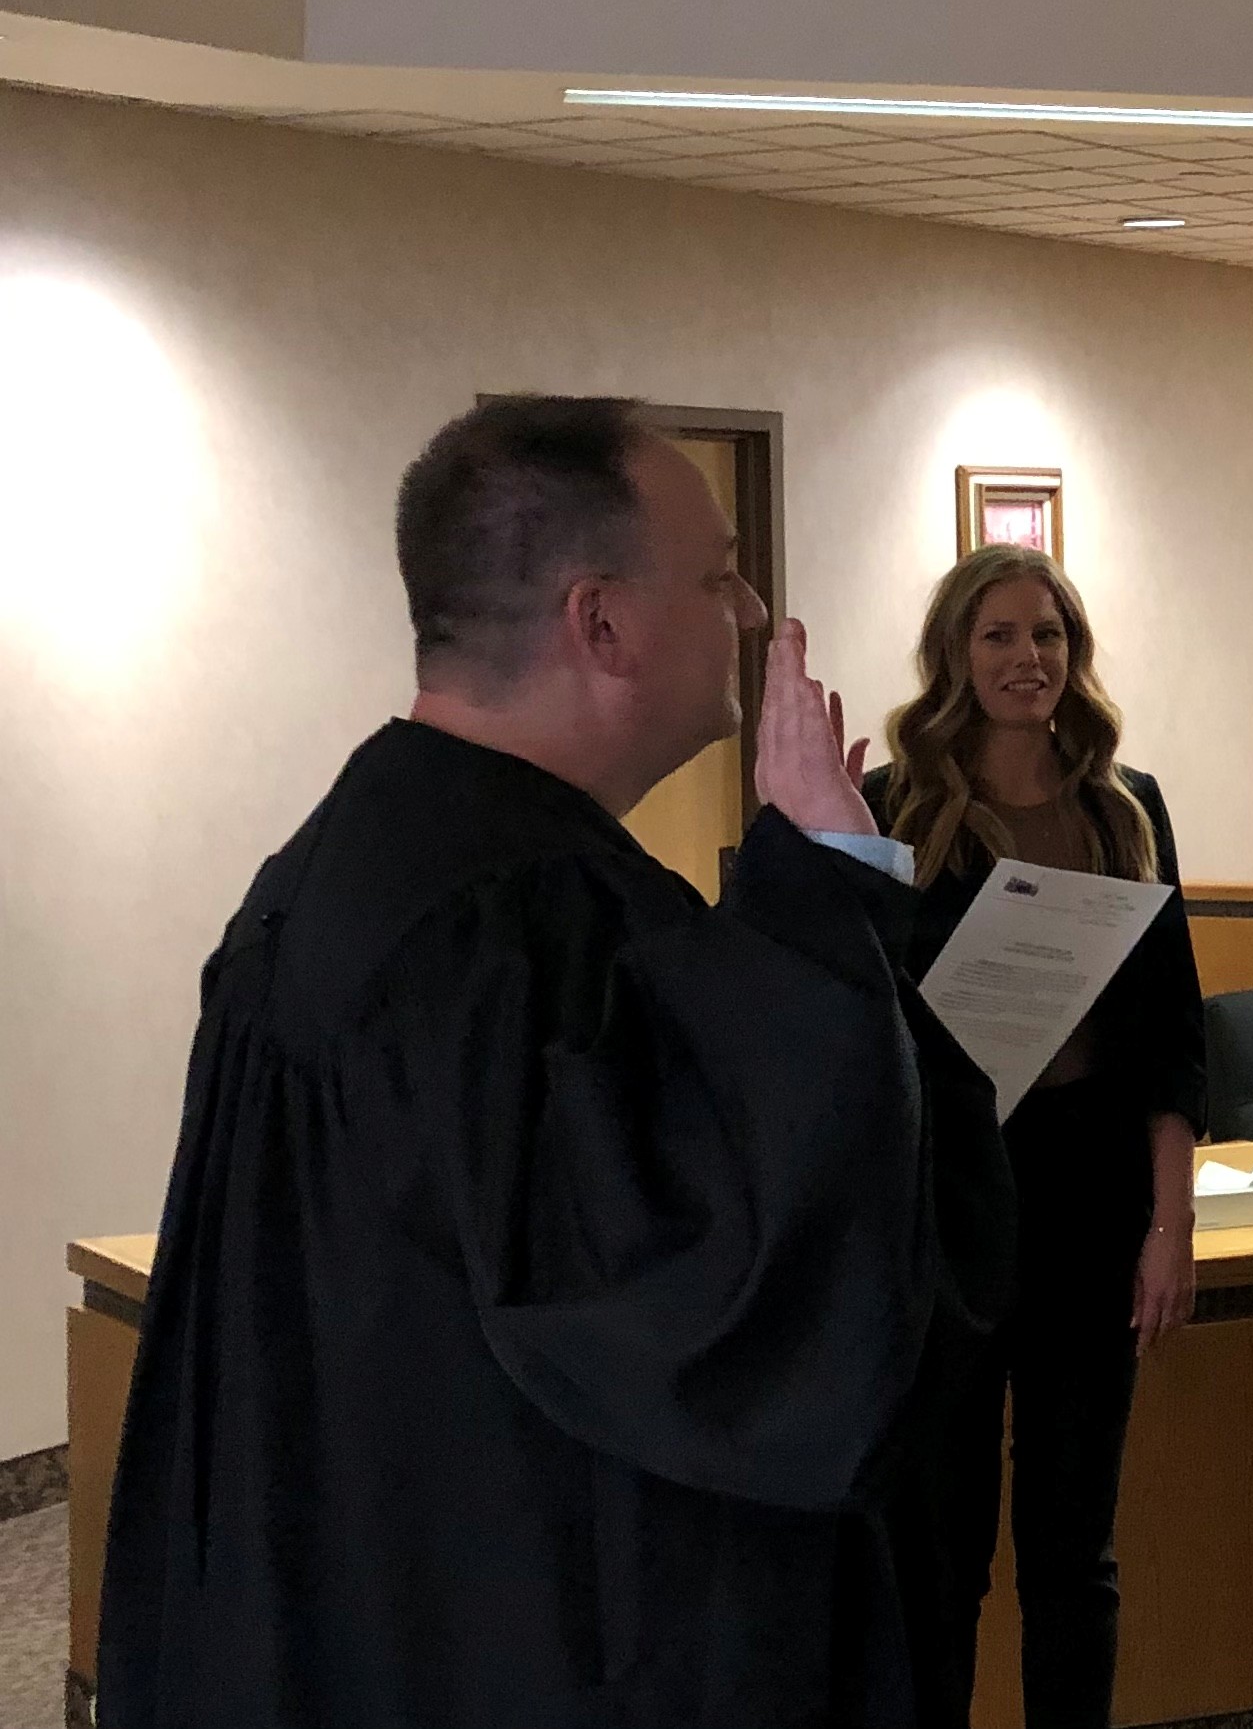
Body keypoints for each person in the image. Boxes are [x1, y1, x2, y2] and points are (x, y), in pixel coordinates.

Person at [100, 396, 1008, 1727]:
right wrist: (828, 890)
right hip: (520, 1623)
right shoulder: (518, 933)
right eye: (717, 576)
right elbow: (734, 1293)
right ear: (603, 623)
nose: (750, 613)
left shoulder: (343, 864)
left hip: (349, 1596)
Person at [871, 545, 1208, 1729]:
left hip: (1090, 1195)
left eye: (1050, 634)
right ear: (955, 656)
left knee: (1074, 1549)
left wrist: (1170, 1224)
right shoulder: (890, 810)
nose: (1029, 658)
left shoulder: (1127, 806)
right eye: (1000, 635)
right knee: (940, 1552)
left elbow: (1171, 1039)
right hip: (946, 1202)